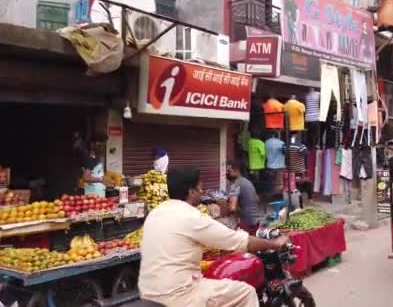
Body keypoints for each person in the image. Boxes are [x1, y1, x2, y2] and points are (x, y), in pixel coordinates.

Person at [139, 166, 288, 307]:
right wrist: (275, 243)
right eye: (200, 188)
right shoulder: (191, 216)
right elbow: (238, 241)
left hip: (148, 293)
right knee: (246, 292)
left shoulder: (156, 212)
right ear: (191, 192)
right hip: (180, 297)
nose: (202, 192)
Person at [226, 160, 259, 235]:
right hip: (255, 219)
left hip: (246, 222)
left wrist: (224, 214)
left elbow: (232, 208)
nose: (227, 173)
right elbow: (257, 199)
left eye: (229, 171)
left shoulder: (236, 184)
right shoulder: (247, 181)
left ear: (236, 171)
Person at [82, 131, 109, 197]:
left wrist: (104, 178)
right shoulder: (90, 158)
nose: (102, 148)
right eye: (100, 146)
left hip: (100, 193)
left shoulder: (97, 157)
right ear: (92, 144)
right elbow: (85, 177)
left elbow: (96, 173)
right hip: (92, 195)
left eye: (104, 145)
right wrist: (100, 180)